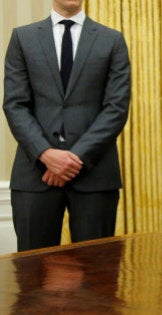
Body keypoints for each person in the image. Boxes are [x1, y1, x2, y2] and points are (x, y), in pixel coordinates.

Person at [3, 0, 131, 251]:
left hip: (95, 176)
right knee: (32, 274)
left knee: (97, 273)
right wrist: (46, 154)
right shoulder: (23, 37)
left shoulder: (112, 40)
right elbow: (15, 105)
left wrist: (74, 159)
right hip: (35, 175)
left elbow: (116, 108)